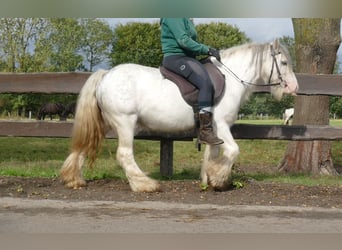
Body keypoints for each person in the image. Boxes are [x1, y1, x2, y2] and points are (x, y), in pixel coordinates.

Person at [160, 18, 223, 145]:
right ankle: (206, 131)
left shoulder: (185, 18)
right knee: (205, 83)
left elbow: (190, 43)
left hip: (188, 58)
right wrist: (207, 49)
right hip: (175, 58)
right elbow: (184, 41)